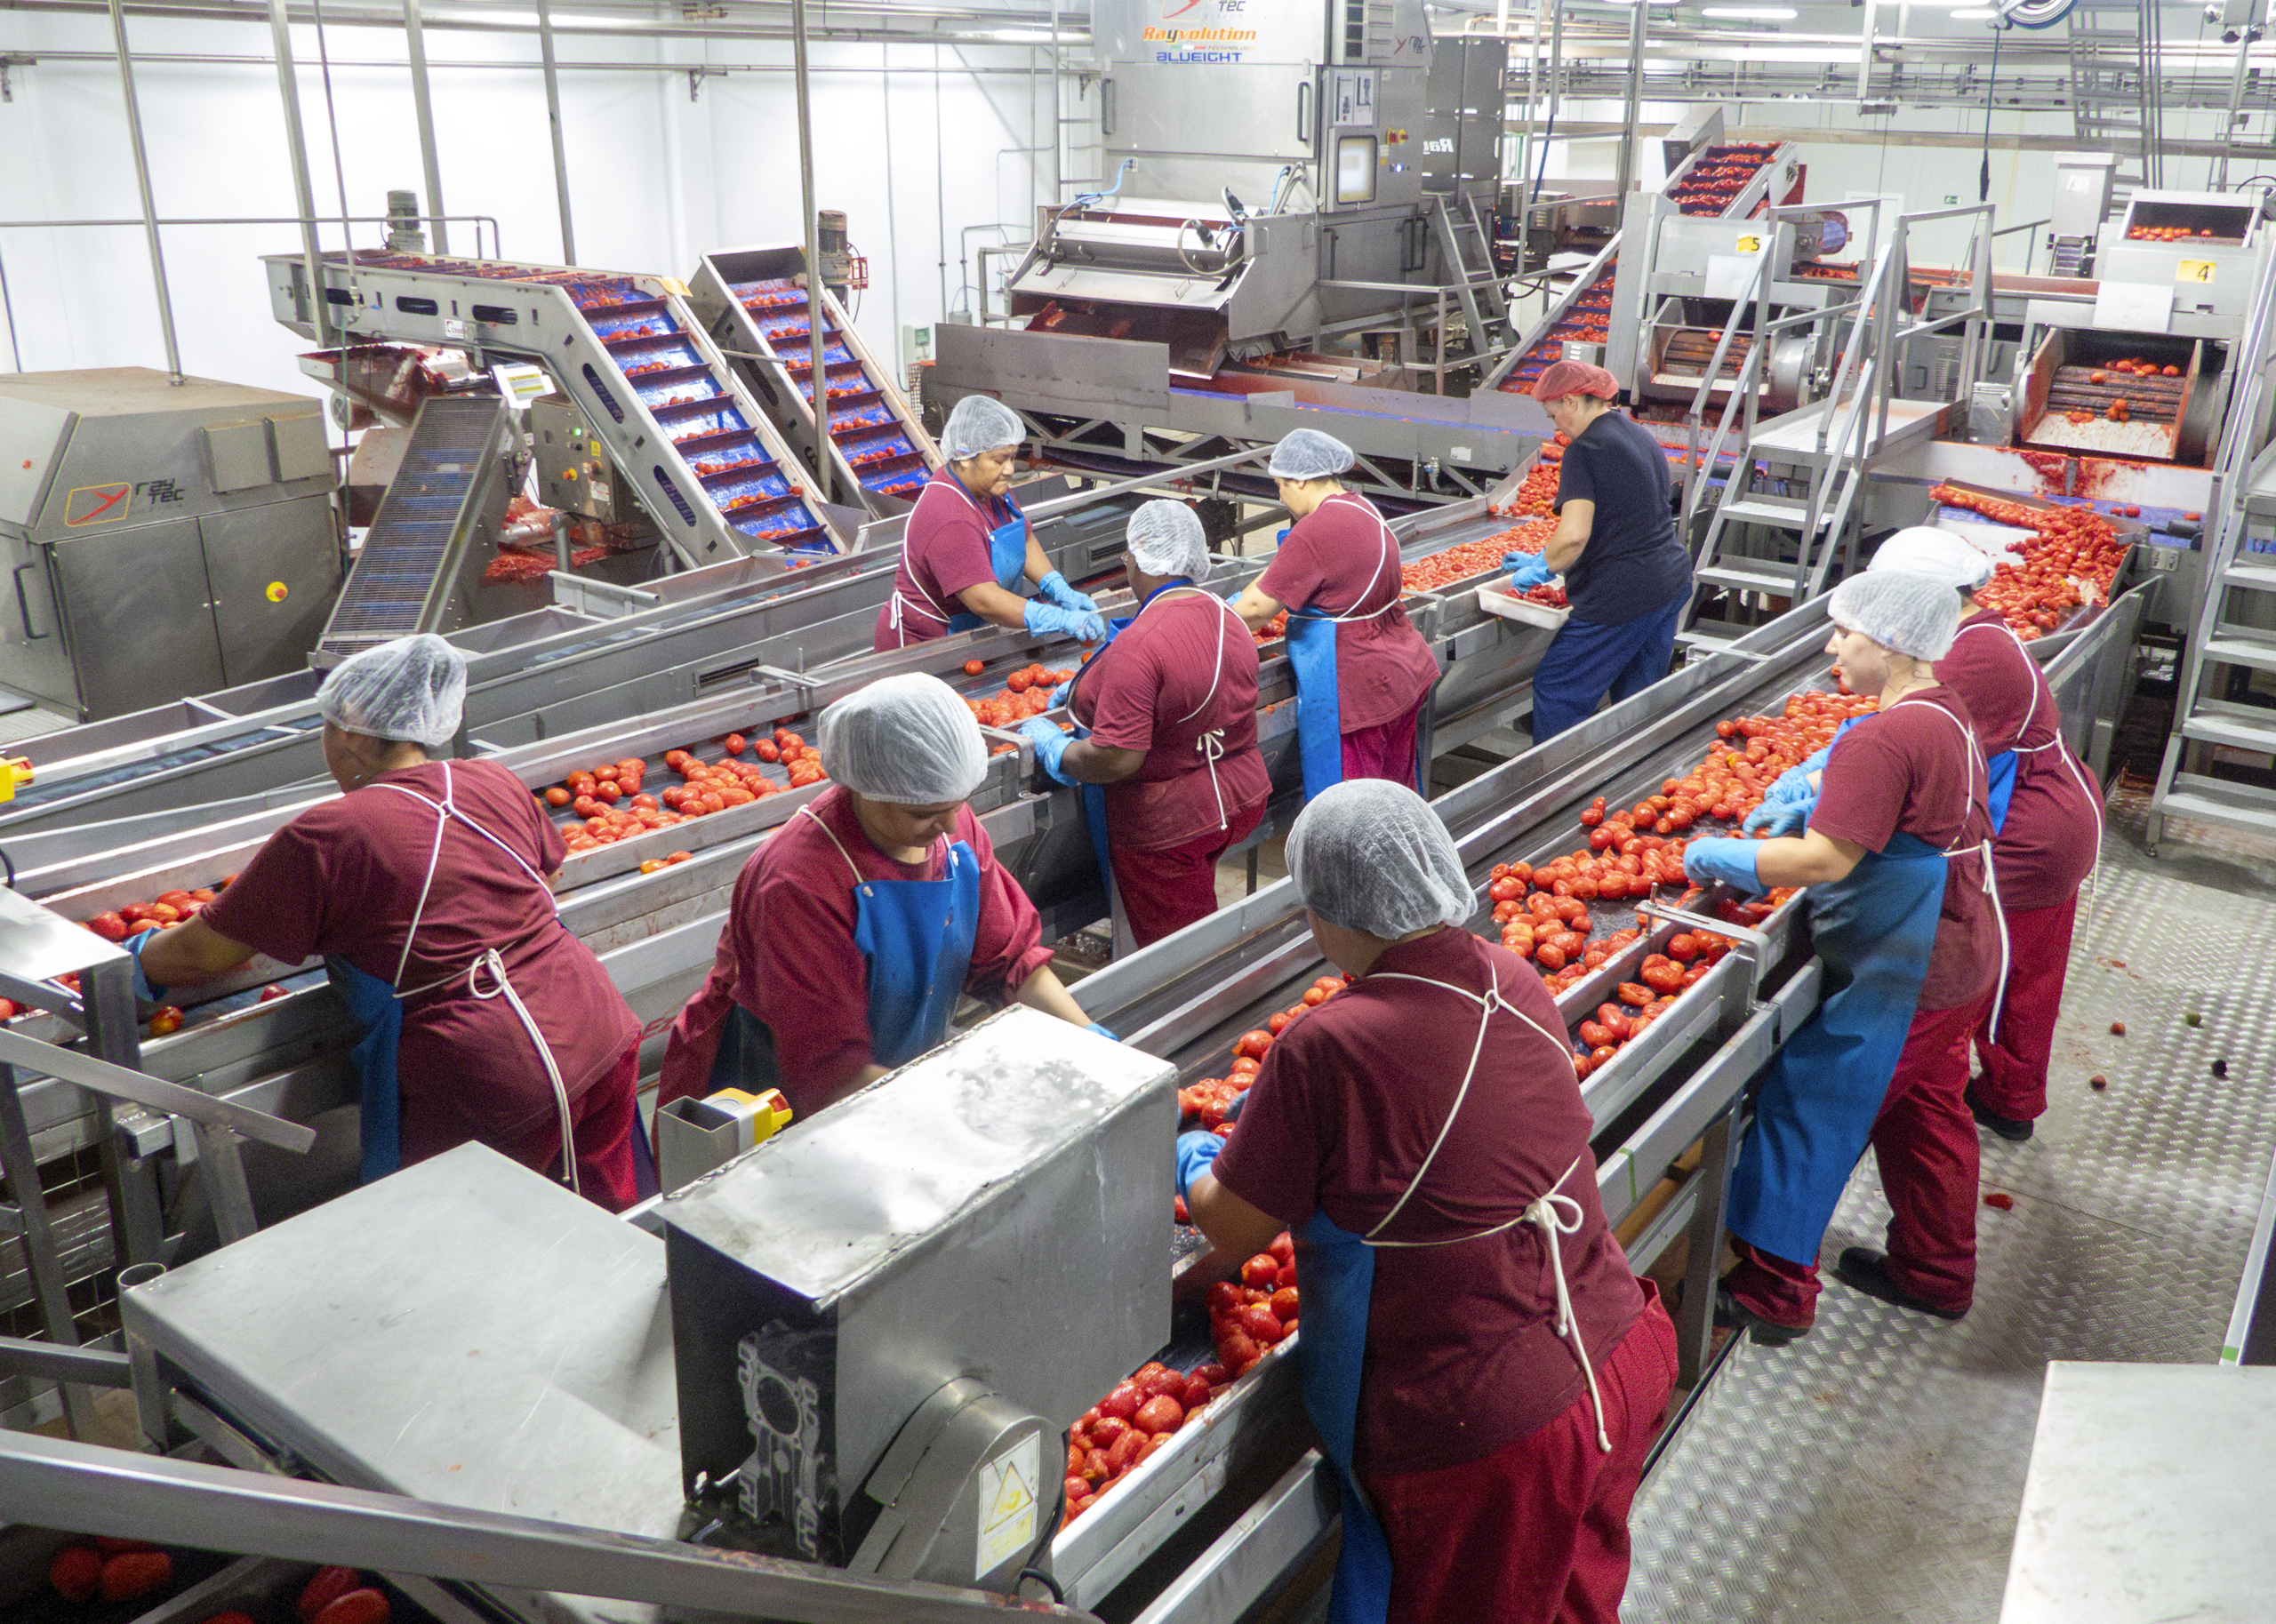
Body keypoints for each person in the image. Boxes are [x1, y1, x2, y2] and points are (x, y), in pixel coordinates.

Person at [1179, 780, 1677, 1624]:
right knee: (1572, 1600)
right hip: (1621, 1351)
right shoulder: (1511, 974)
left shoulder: (1326, 1044)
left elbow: (1227, 1228)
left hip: (1499, 1429)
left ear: (1331, 908)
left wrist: (1193, 1153)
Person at [131, 636, 647, 1211]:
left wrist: (127, 963)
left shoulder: (330, 832)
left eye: (324, 727)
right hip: (598, 1023)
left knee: (466, 1244)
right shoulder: (493, 780)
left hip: (498, 1070)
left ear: (348, 730)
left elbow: (203, 954)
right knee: (607, 1229)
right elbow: (535, 885)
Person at [1683, 572, 2002, 1340]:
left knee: (1813, 1103)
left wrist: (1717, 854)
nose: (1832, 647)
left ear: (1889, 644)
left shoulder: (1884, 735)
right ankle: (1935, 1272)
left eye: (1844, 633)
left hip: (1909, 967)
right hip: (1964, 944)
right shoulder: (1942, 708)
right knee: (1926, 1111)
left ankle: (1773, 1292)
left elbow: (1825, 862)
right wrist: (1823, 786)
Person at [659, 673, 1101, 1122]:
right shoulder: (798, 882)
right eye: (924, 813)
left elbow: (1011, 961)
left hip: (890, 1087)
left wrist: (1091, 1040)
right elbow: (833, 1076)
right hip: (778, 1109)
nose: (950, 826)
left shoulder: (948, 827)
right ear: (868, 791)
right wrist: (966, 1114)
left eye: (958, 803)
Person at [1867, 528, 2103, 1143]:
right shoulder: (1976, 632)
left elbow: (1908, 749)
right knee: (2027, 972)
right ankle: (2009, 1095)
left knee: (1968, 991)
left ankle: (1907, 1100)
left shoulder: (1965, 656)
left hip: (2025, 831)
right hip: (2056, 815)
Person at [1018, 501, 1271, 949]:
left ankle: (1194, 1011)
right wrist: (1087, 689)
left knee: (1178, 956)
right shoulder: (1227, 617)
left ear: (1141, 561)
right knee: (1196, 914)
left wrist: (1056, 750)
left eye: (1128, 557)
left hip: (1171, 824)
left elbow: (1117, 758)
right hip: (1237, 798)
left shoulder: (1139, 644)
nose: (1127, 565)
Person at [1230, 429, 1439, 799]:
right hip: (1399, 678)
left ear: (1298, 479)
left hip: (1355, 690)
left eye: (1279, 485)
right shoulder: (1361, 507)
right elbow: (1285, 568)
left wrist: (1209, 622)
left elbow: (1255, 610)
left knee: (1349, 813)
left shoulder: (1318, 528)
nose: (1279, 495)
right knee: (1393, 802)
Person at [1511, 361, 1694, 742]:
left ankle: (1555, 789)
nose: (1556, 425)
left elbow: (1574, 535)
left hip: (1622, 595)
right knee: (1636, 699)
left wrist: (1541, 567)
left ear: (1572, 401)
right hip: (1669, 582)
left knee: (1558, 686)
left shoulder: (1585, 449)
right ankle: (1629, 778)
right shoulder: (1638, 435)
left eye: (1554, 413)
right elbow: (1626, 515)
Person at [875, 396, 1105, 650]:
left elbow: (1022, 539)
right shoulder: (949, 515)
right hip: (925, 643)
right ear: (964, 455)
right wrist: (1051, 617)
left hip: (969, 630)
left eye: (1012, 457)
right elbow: (983, 599)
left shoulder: (989, 488)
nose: (1009, 469)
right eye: (999, 460)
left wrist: (1057, 587)